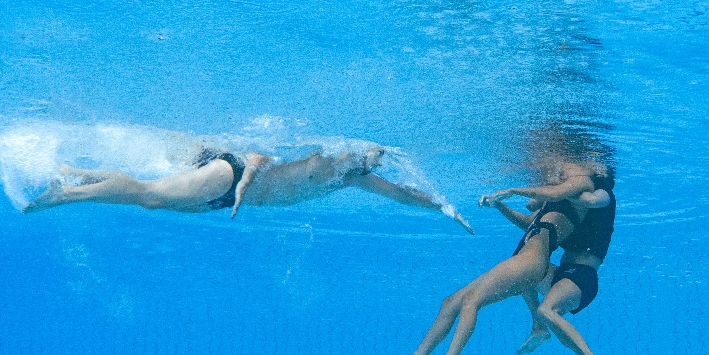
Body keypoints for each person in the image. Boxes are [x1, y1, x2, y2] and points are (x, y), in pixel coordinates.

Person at [375, 160, 604, 355]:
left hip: (531, 263)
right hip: (522, 261)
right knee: (451, 302)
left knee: (472, 301)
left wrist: (513, 190)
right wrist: (499, 206)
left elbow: (552, 194)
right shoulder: (551, 208)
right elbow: (528, 220)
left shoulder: (577, 195)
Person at [23, 146, 474, 233]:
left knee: (154, 203)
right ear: (356, 149)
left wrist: (447, 210)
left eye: (376, 162)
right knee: (152, 193)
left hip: (227, 201)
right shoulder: (324, 154)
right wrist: (239, 191)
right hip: (230, 175)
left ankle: (72, 173)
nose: (374, 164)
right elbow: (260, 155)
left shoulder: (353, 178)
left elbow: (404, 194)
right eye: (372, 156)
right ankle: (64, 194)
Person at [513, 167, 615, 355]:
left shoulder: (603, 193)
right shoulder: (567, 199)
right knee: (523, 273)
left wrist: (560, 193)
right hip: (563, 273)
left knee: (547, 310)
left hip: (582, 277)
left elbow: (591, 201)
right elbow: (528, 221)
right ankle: (539, 329)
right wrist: (498, 205)